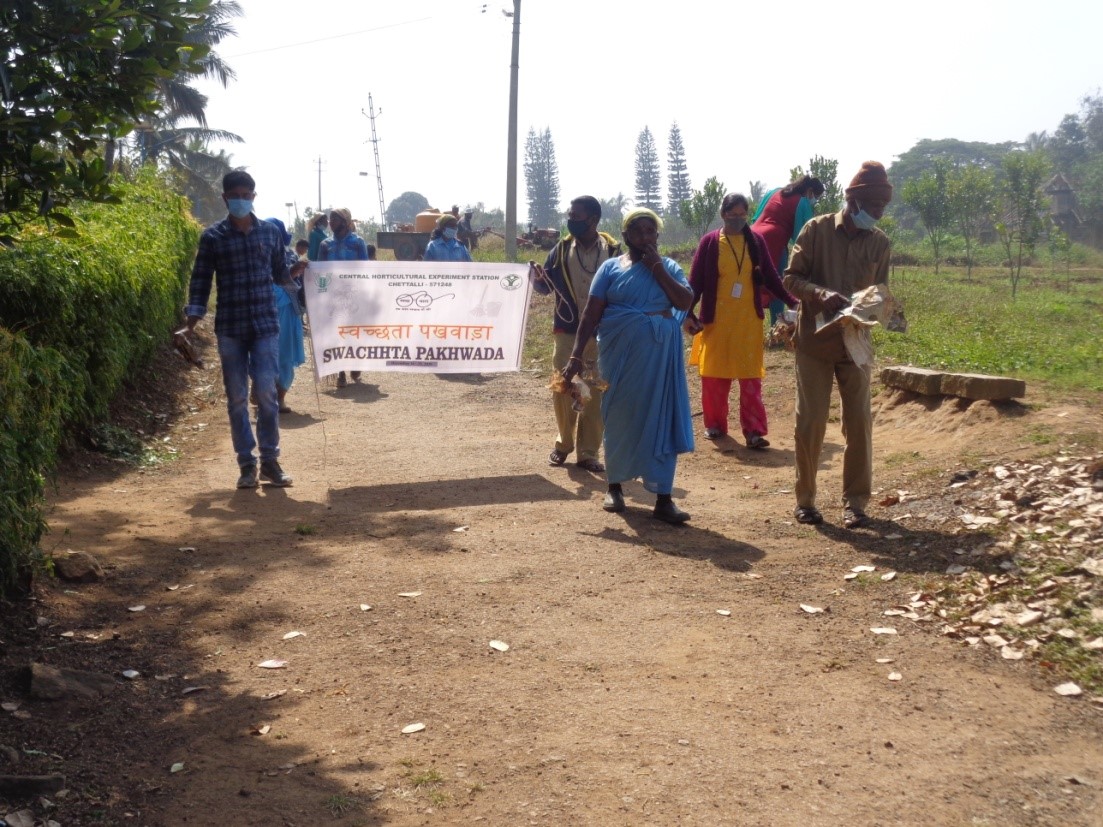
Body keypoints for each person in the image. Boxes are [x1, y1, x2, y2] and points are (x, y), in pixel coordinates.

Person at [563, 208, 695, 524]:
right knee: (619, 415)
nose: (645, 237)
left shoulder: (670, 267)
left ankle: (663, 498)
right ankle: (615, 487)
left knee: (661, 417)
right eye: (638, 231)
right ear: (625, 235)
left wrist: (657, 268)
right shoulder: (610, 268)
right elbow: (590, 314)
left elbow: (684, 301)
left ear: (658, 235)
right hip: (618, 354)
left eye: (651, 231)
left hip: (660, 356)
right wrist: (576, 356)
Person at [783, 161, 893, 529]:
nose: (879, 213)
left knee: (859, 423)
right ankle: (806, 501)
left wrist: (874, 308)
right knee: (811, 422)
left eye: (883, 207)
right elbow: (790, 278)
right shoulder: (816, 230)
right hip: (814, 343)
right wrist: (819, 293)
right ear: (854, 201)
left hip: (855, 343)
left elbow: (879, 291)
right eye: (874, 206)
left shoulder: (880, 242)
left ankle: (856, 504)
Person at [179, 170, 304, 489]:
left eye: (246, 196)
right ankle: (247, 464)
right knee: (236, 397)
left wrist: (304, 278)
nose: (241, 201)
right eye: (235, 196)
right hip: (231, 327)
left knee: (266, 394)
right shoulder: (213, 237)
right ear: (225, 198)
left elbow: (280, 273)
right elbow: (200, 281)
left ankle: (270, 461)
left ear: (253, 197)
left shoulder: (270, 234)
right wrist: (191, 323)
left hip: (265, 324)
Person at [684, 193, 797, 449]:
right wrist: (688, 313)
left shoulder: (756, 241)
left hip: (748, 321)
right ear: (723, 214)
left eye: (742, 215)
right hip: (716, 322)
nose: (737, 219)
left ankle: (754, 432)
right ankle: (715, 425)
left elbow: (771, 277)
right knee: (714, 376)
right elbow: (695, 282)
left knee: (750, 378)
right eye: (732, 214)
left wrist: (791, 301)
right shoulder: (710, 242)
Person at [529, 196, 621, 473]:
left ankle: (588, 453)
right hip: (567, 330)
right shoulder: (560, 249)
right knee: (563, 386)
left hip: (601, 332)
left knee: (595, 390)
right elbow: (545, 287)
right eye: (570, 216)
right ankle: (563, 445)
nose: (571, 221)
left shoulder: (614, 251)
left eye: (576, 217)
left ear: (593, 220)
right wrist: (537, 280)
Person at [751, 175, 824, 326]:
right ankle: (776, 326)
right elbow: (803, 236)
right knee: (777, 285)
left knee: (750, 283)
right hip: (774, 242)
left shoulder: (774, 192)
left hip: (752, 237)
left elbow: (756, 217)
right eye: (816, 197)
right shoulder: (803, 202)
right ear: (810, 191)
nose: (814, 201)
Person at [318, 207, 370, 387]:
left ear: (345, 222)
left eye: (335, 219)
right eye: (330, 219)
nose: (331, 222)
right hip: (333, 297)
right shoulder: (325, 244)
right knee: (336, 333)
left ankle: (355, 363)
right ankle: (340, 372)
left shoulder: (358, 242)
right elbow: (320, 272)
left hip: (355, 295)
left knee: (355, 332)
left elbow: (365, 269)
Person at [264, 218, 306, 414]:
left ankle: (280, 397)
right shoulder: (256, 256)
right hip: (264, 311)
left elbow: (299, 284)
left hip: (288, 313)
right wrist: (292, 273)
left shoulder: (290, 255)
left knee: (285, 356)